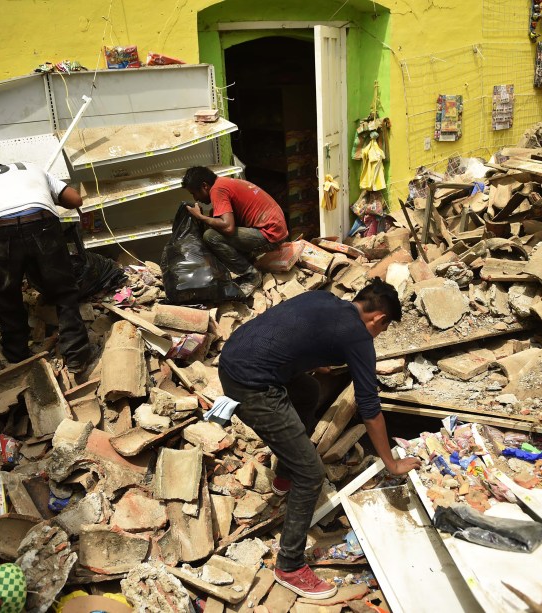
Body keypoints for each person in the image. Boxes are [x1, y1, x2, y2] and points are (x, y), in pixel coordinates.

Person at [218, 278, 423, 600]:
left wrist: (317, 360)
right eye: (382, 330)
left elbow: (288, 328)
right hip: (251, 386)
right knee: (311, 474)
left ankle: (284, 474)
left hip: (233, 358)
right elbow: (369, 408)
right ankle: (289, 566)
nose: (378, 335)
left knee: (309, 389)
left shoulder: (322, 298)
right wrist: (392, 463)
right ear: (379, 319)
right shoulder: (357, 336)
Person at [0, 162, 99, 375]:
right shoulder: (31, 168)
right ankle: (76, 357)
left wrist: (16, 258)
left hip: (0, 232)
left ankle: (16, 354)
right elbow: (76, 200)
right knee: (64, 291)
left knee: (8, 295)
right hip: (42, 223)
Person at [181, 167, 288, 296]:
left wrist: (200, 217)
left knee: (211, 236)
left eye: (194, 193)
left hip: (271, 234)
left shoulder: (217, 190)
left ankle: (251, 275)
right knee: (214, 219)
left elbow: (228, 227)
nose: (196, 198)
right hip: (274, 229)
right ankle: (250, 262)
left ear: (204, 186)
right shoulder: (223, 183)